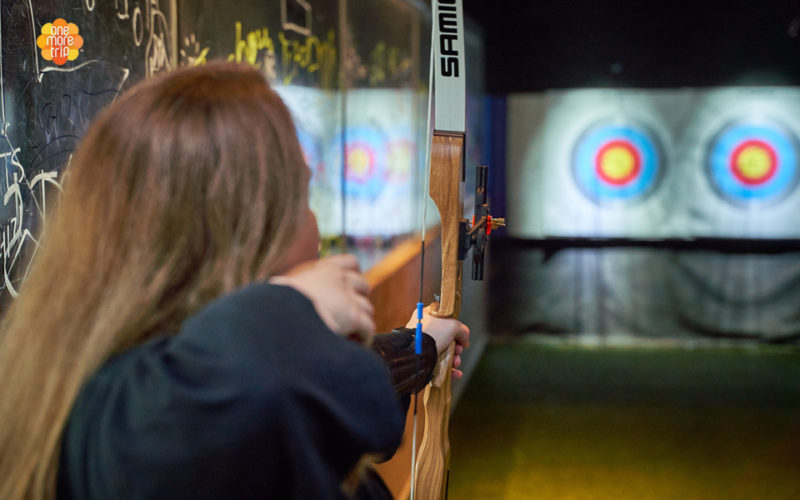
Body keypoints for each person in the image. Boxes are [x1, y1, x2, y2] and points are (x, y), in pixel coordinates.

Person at [0, 62, 469, 499]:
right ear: (243, 229)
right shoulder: (124, 417)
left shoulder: (198, 376)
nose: (315, 230)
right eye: (302, 198)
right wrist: (291, 304)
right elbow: (233, 403)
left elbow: (295, 389)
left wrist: (417, 347)